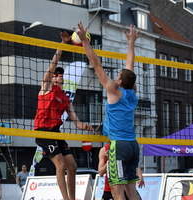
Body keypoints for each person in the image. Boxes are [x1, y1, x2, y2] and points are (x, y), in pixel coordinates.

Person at [77, 22, 141, 200]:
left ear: (119, 82)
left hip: (118, 146)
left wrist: (85, 42)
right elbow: (130, 66)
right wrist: (131, 42)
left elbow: (96, 64)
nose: (116, 77)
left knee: (117, 192)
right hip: (133, 146)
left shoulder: (115, 90)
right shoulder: (132, 93)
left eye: (118, 76)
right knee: (131, 191)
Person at [33, 31, 94, 200]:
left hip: (55, 132)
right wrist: (63, 44)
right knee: (60, 165)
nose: (58, 76)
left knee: (72, 166)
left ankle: (72, 199)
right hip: (43, 131)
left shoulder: (66, 98)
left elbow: (76, 121)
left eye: (61, 75)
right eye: (56, 75)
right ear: (52, 78)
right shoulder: (46, 87)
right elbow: (54, 63)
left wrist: (86, 127)